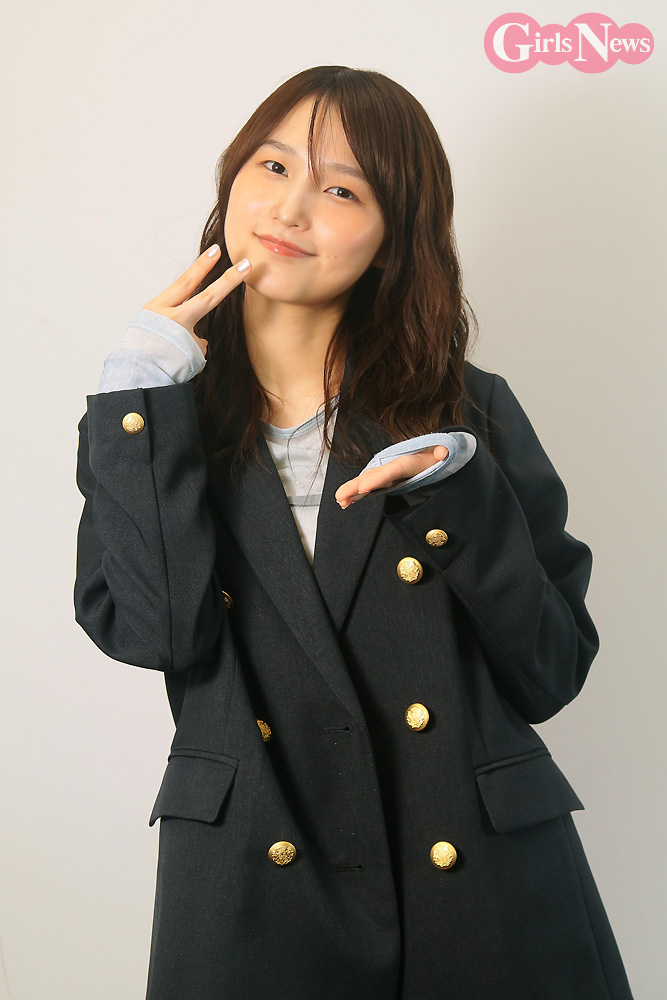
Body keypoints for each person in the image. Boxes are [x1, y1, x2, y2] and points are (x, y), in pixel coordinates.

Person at [73, 65, 634, 1000]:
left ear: (390, 239)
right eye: (271, 165)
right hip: (254, 885)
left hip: (476, 891)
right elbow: (157, 633)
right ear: (231, 180)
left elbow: (550, 671)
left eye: (342, 190)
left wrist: (459, 499)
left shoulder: (467, 414)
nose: (290, 208)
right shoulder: (152, 420)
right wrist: (137, 394)